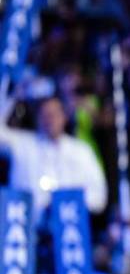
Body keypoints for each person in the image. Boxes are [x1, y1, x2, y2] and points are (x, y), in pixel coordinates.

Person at [0, 95, 107, 223]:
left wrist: (66, 203)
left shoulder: (81, 151)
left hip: (70, 227)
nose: (50, 119)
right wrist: (13, 95)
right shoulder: (23, 145)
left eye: (54, 114)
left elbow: (99, 197)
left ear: (64, 117)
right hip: (28, 228)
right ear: (37, 118)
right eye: (45, 115)